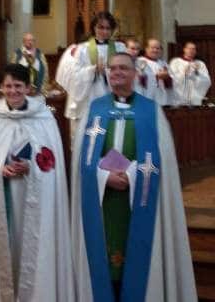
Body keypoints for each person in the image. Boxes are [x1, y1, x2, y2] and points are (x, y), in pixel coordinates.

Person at [70, 52, 197, 302]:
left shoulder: (151, 112)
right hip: (102, 203)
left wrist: (131, 176)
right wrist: (104, 177)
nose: (117, 72)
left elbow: (162, 160)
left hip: (138, 199)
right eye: (112, 68)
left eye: (123, 68)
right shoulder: (94, 110)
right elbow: (81, 162)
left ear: (134, 74)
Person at [0, 64, 75, 302]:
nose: (12, 91)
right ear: (1, 88)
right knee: (3, 252)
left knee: (32, 251)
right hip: (1, 199)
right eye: (8, 86)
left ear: (28, 88)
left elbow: (53, 165)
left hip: (33, 200)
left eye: (18, 86)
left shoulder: (44, 118)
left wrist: (32, 167)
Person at [56, 11, 126, 120]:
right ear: (94, 28)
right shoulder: (82, 48)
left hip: (112, 94)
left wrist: (108, 72)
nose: (104, 31)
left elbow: (126, 71)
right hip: (89, 96)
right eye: (101, 27)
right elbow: (75, 75)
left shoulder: (120, 48)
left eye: (108, 28)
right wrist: (92, 70)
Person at [170, 41, 211, 105]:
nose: (191, 51)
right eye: (189, 48)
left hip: (195, 99)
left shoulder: (200, 64)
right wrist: (184, 73)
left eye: (193, 49)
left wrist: (197, 73)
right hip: (179, 98)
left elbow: (207, 81)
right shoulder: (176, 62)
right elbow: (171, 79)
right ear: (184, 49)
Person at [137, 38, 176, 105]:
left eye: (158, 48)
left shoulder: (164, 63)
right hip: (147, 98)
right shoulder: (139, 61)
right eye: (152, 48)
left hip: (163, 100)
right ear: (146, 49)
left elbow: (173, 82)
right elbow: (138, 80)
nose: (155, 50)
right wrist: (156, 77)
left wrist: (167, 78)